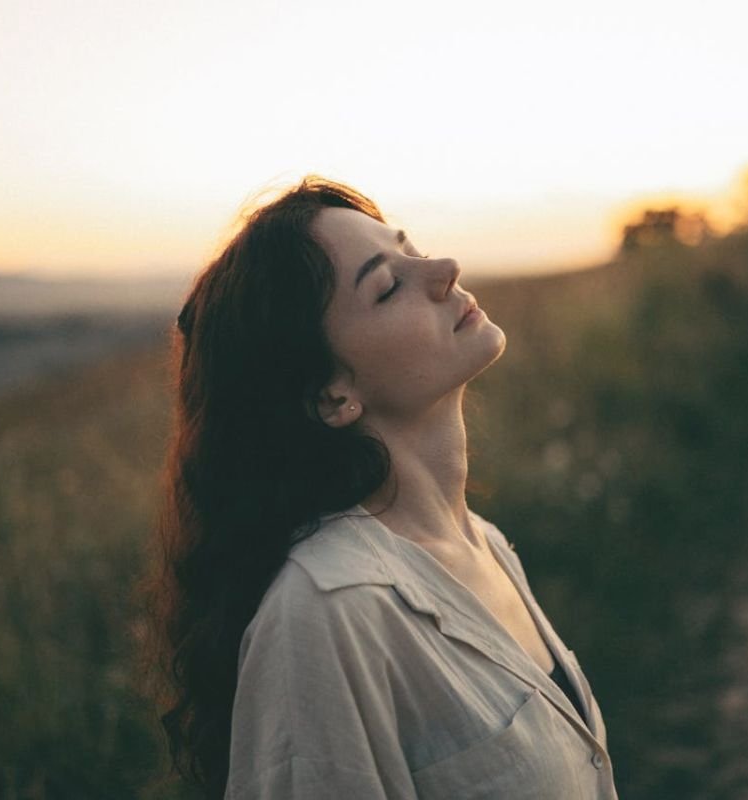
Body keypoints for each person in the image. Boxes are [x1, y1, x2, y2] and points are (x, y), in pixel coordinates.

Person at [141, 177, 618, 799]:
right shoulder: (327, 613)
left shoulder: (484, 543)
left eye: (411, 250)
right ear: (333, 395)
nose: (444, 269)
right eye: (388, 287)